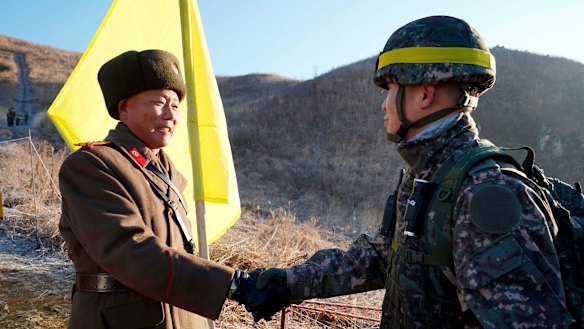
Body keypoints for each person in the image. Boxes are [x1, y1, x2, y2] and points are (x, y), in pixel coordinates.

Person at [247, 16, 575, 328]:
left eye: (390, 88)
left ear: (423, 92)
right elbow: (380, 258)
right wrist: (286, 282)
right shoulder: (430, 177)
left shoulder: (486, 194)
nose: (384, 104)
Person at [58, 49, 287, 329]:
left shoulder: (170, 174)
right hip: (120, 319)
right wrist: (234, 285)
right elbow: (130, 250)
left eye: (176, 105)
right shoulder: (91, 166)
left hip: (185, 317)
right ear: (124, 109)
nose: (170, 115)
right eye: (158, 102)